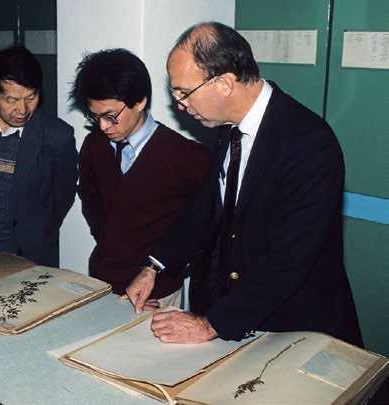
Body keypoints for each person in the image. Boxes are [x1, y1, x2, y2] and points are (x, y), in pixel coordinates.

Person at [123, 22, 363, 347]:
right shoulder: (229, 129)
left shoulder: (308, 143)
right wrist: (154, 266)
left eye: (184, 93)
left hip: (292, 329)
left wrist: (210, 325)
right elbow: (203, 209)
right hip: (236, 319)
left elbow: (288, 261)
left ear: (224, 83)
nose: (179, 104)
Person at [70, 48, 210, 305]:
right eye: (95, 116)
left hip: (157, 293)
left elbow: (207, 224)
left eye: (111, 116)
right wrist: (110, 242)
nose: (103, 126)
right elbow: (90, 199)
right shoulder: (94, 146)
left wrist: (161, 270)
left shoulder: (187, 157)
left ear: (140, 101)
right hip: (102, 282)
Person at [0, 45, 78, 267]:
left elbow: (62, 196)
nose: (22, 109)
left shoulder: (58, 136)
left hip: (30, 256)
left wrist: (37, 232)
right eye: (11, 100)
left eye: (31, 97)